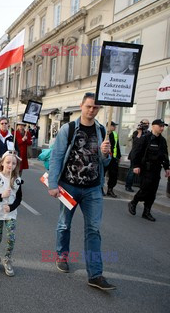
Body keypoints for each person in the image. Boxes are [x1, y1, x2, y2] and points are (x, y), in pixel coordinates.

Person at [48, 92, 115, 291]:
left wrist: (106, 153)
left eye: (95, 107)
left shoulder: (102, 130)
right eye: (88, 106)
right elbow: (56, 157)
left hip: (93, 189)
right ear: (81, 106)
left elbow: (105, 162)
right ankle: (62, 256)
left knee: (93, 230)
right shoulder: (68, 129)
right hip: (69, 186)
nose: (91, 110)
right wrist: (53, 184)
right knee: (64, 225)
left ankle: (95, 274)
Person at [0, 151, 23, 276]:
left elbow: (19, 198)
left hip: (10, 214)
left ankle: (7, 259)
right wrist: (2, 195)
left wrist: (11, 207)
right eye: (7, 162)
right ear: (2, 163)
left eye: (13, 163)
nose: (10, 165)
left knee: (11, 238)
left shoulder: (17, 180)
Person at [128, 119, 170, 221]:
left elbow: (164, 155)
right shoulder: (145, 138)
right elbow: (135, 153)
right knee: (145, 189)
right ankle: (134, 202)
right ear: (153, 126)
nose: (162, 128)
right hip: (145, 169)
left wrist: (167, 168)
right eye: (160, 126)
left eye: (163, 126)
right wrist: (136, 166)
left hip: (156, 169)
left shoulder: (162, 140)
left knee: (153, 192)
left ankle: (146, 212)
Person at [125, 119, 150, 192]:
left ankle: (142, 186)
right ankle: (128, 185)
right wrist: (140, 132)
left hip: (144, 156)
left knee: (143, 172)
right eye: (145, 123)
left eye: (148, 123)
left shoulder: (148, 133)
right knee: (132, 171)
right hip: (135, 155)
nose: (147, 125)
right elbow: (136, 142)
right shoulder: (136, 132)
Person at [105, 121, 121, 198]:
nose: (115, 127)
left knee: (114, 175)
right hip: (104, 157)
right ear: (109, 126)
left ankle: (110, 189)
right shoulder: (104, 133)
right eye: (113, 126)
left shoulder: (115, 134)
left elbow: (117, 146)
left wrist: (119, 156)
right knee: (102, 174)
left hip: (113, 158)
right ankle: (100, 188)